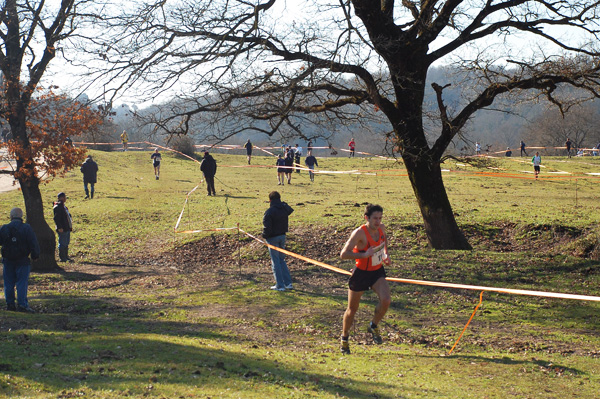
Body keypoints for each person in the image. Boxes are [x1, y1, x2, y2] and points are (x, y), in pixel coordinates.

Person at [339, 204, 391, 354]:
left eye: (380, 218)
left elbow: (384, 240)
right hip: (361, 273)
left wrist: (386, 254)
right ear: (366, 218)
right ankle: (344, 338)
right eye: (375, 218)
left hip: (376, 272)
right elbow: (343, 254)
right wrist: (363, 255)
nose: (378, 221)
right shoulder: (359, 233)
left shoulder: (382, 228)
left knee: (386, 300)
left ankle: (373, 325)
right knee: (352, 309)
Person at [1, 208, 40, 313]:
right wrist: (35, 255)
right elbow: (33, 242)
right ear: (21, 216)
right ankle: (22, 304)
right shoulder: (26, 228)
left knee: (8, 283)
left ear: (11, 216)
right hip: (22, 260)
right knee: (21, 283)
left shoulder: (5, 228)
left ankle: (10, 304)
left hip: (8, 260)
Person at [262, 191, 294, 291]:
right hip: (282, 236)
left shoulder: (270, 211)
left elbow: (267, 227)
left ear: (270, 200)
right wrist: (282, 203)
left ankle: (280, 285)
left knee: (275, 262)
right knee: (281, 260)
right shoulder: (284, 208)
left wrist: (264, 236)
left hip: (272, 238)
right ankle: (288, 283)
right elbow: (290, 209)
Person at [53, 192, 73, 262]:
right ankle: (62, 257)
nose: (65, 198)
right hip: (62, 228)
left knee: (66, 242)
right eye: (63, 197)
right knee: (62, 243)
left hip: (67, 227)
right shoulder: (58, 207)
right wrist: (59, 227)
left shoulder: (63, 206)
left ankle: (66, 256)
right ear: (60, 198)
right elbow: (56, 218)